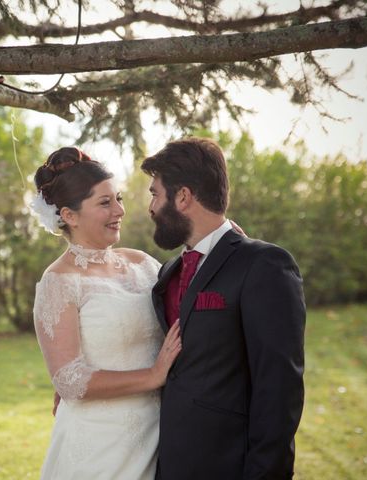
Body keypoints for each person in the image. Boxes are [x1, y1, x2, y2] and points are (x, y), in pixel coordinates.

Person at [141, 137, 306, 480]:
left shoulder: (263, 265)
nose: (151, 206)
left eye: (155, 193)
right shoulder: (169, 273)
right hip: (169, 464)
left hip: (229, 467)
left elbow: (278, 390)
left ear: (183, 197)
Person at [30, 147, 181, 479]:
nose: (120, 210)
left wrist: (227, 242)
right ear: (69, 215)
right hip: (100, 447)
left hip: (160, 434)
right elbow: (70, 380)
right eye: (104, 203)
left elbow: (189, 300)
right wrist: (153, 376)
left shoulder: (143, 263)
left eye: (119, 198)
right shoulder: (58, 283)